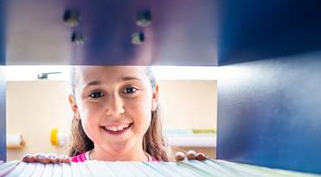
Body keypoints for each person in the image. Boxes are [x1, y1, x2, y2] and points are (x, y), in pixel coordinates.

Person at [22, 66, 206, 164]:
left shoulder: (171, 176)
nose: (115, 109)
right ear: (75, 106)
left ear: (154, 96)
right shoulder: (62, 175)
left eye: (130, 89)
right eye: (96, 94)